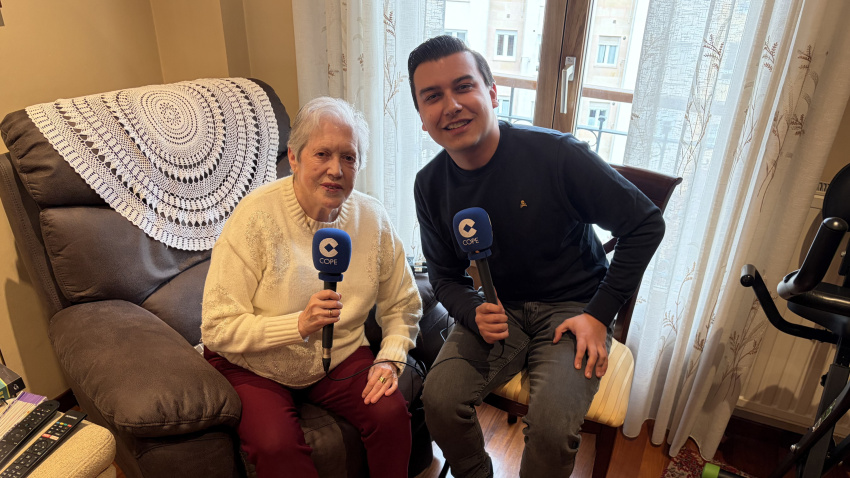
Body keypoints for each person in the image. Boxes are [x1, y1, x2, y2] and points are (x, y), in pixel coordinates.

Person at [409, 35, 665, 477]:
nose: (451, 105)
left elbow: (645, 224)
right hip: (496, 307)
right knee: (439, 401)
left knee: (551, 430)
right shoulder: (429, 184)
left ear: (492, 93)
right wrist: (472, 310)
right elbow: (444, 276)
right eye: (433, 96)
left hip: (575, 310)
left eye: (463, 86)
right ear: (422, 118)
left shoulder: (557, 154)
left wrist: (599, 314)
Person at [201, 96, 422, 478]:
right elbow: (216, 327)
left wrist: (390, 356)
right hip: (255, 363)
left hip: (339, 353)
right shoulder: (254, 217)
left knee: (390, 414)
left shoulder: (372, 218)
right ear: (294, 156)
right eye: (322, 154)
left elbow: (403, 302)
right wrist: (298, 325)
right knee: (276, 446)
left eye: (348, 157)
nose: (335, 169)